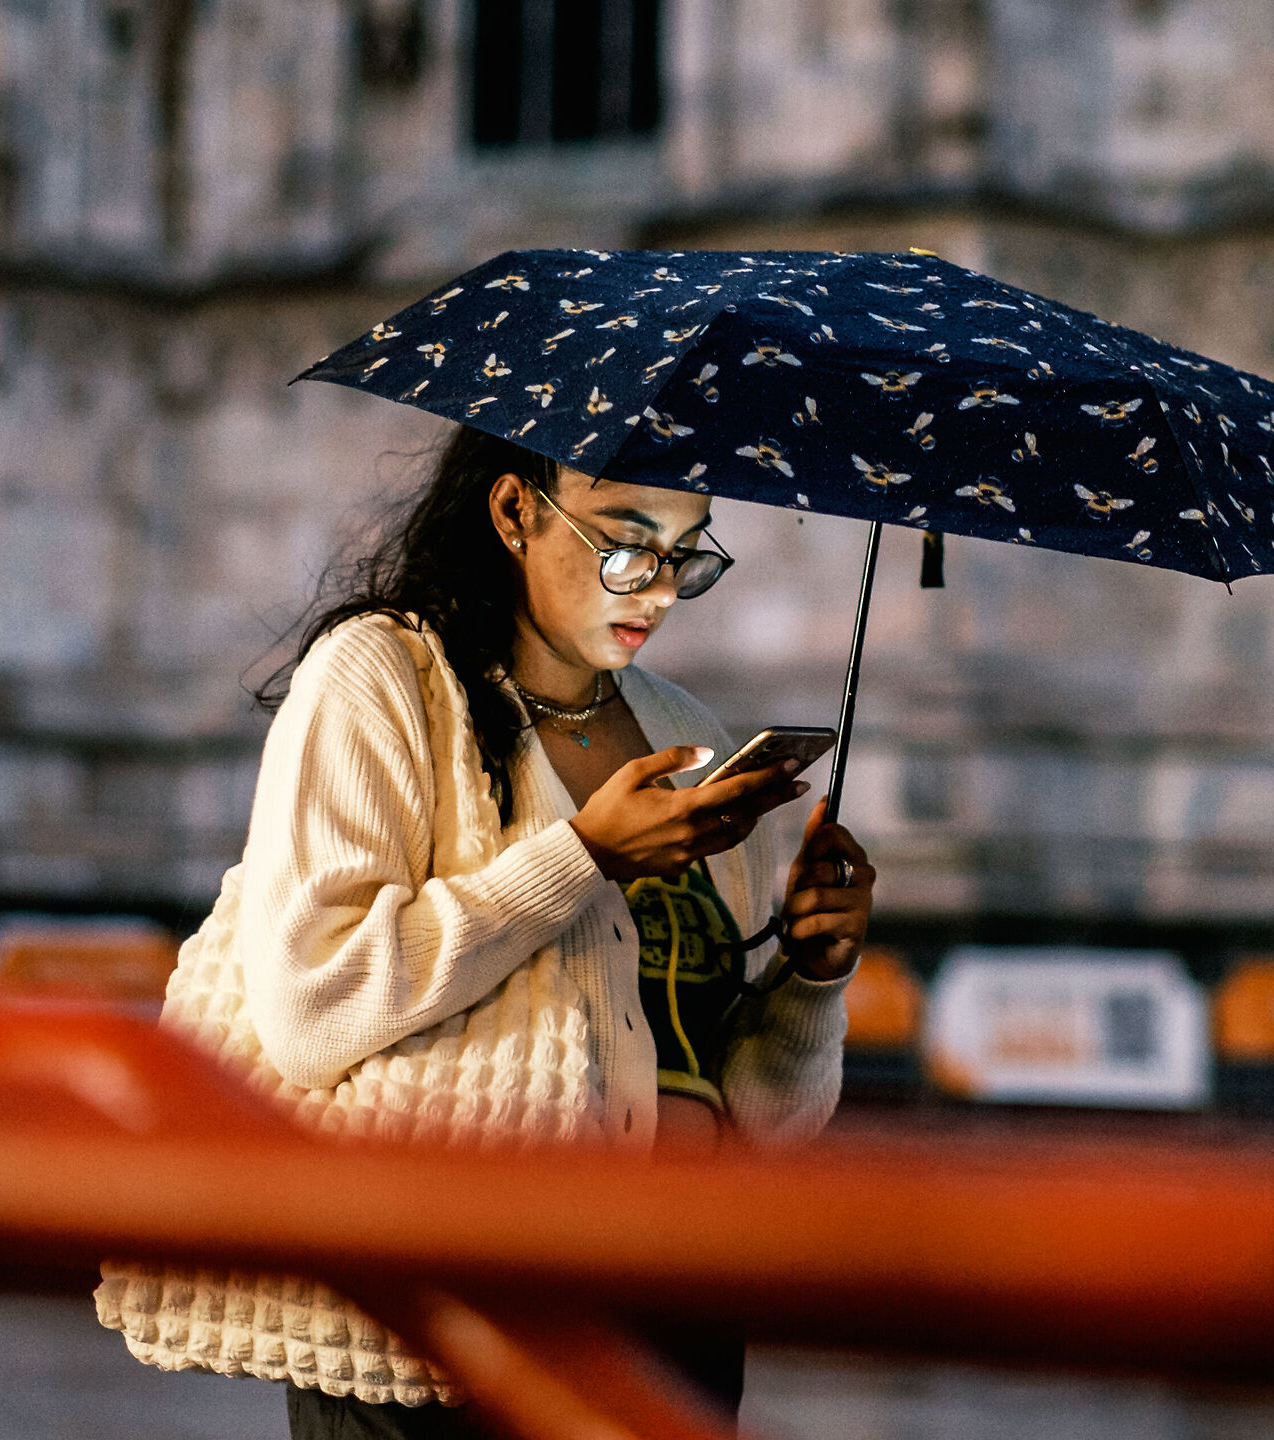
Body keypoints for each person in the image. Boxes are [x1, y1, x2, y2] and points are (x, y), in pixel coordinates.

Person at [96, 430, 872, 1437]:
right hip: (438, 1324)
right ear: (516, 511)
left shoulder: (693, 734)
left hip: (669, 1320)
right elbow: (313, 1006)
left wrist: (813, 978)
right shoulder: (383, 679)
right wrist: (581, 856)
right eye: (629, 546)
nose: (660, 593)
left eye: (690, 556)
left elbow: (755, 1123)